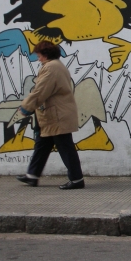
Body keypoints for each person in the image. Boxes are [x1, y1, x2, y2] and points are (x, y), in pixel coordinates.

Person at [15, 41, 85, 190]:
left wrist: (26, 107)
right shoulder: (56, 66)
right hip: (52, 115)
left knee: (65, 147)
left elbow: (40, 91)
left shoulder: (51, 68)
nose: (38, 59)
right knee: (42, 145)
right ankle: (32, 176)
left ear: (46, 54)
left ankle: (77, 179)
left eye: (39, 55)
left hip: (56, 115)